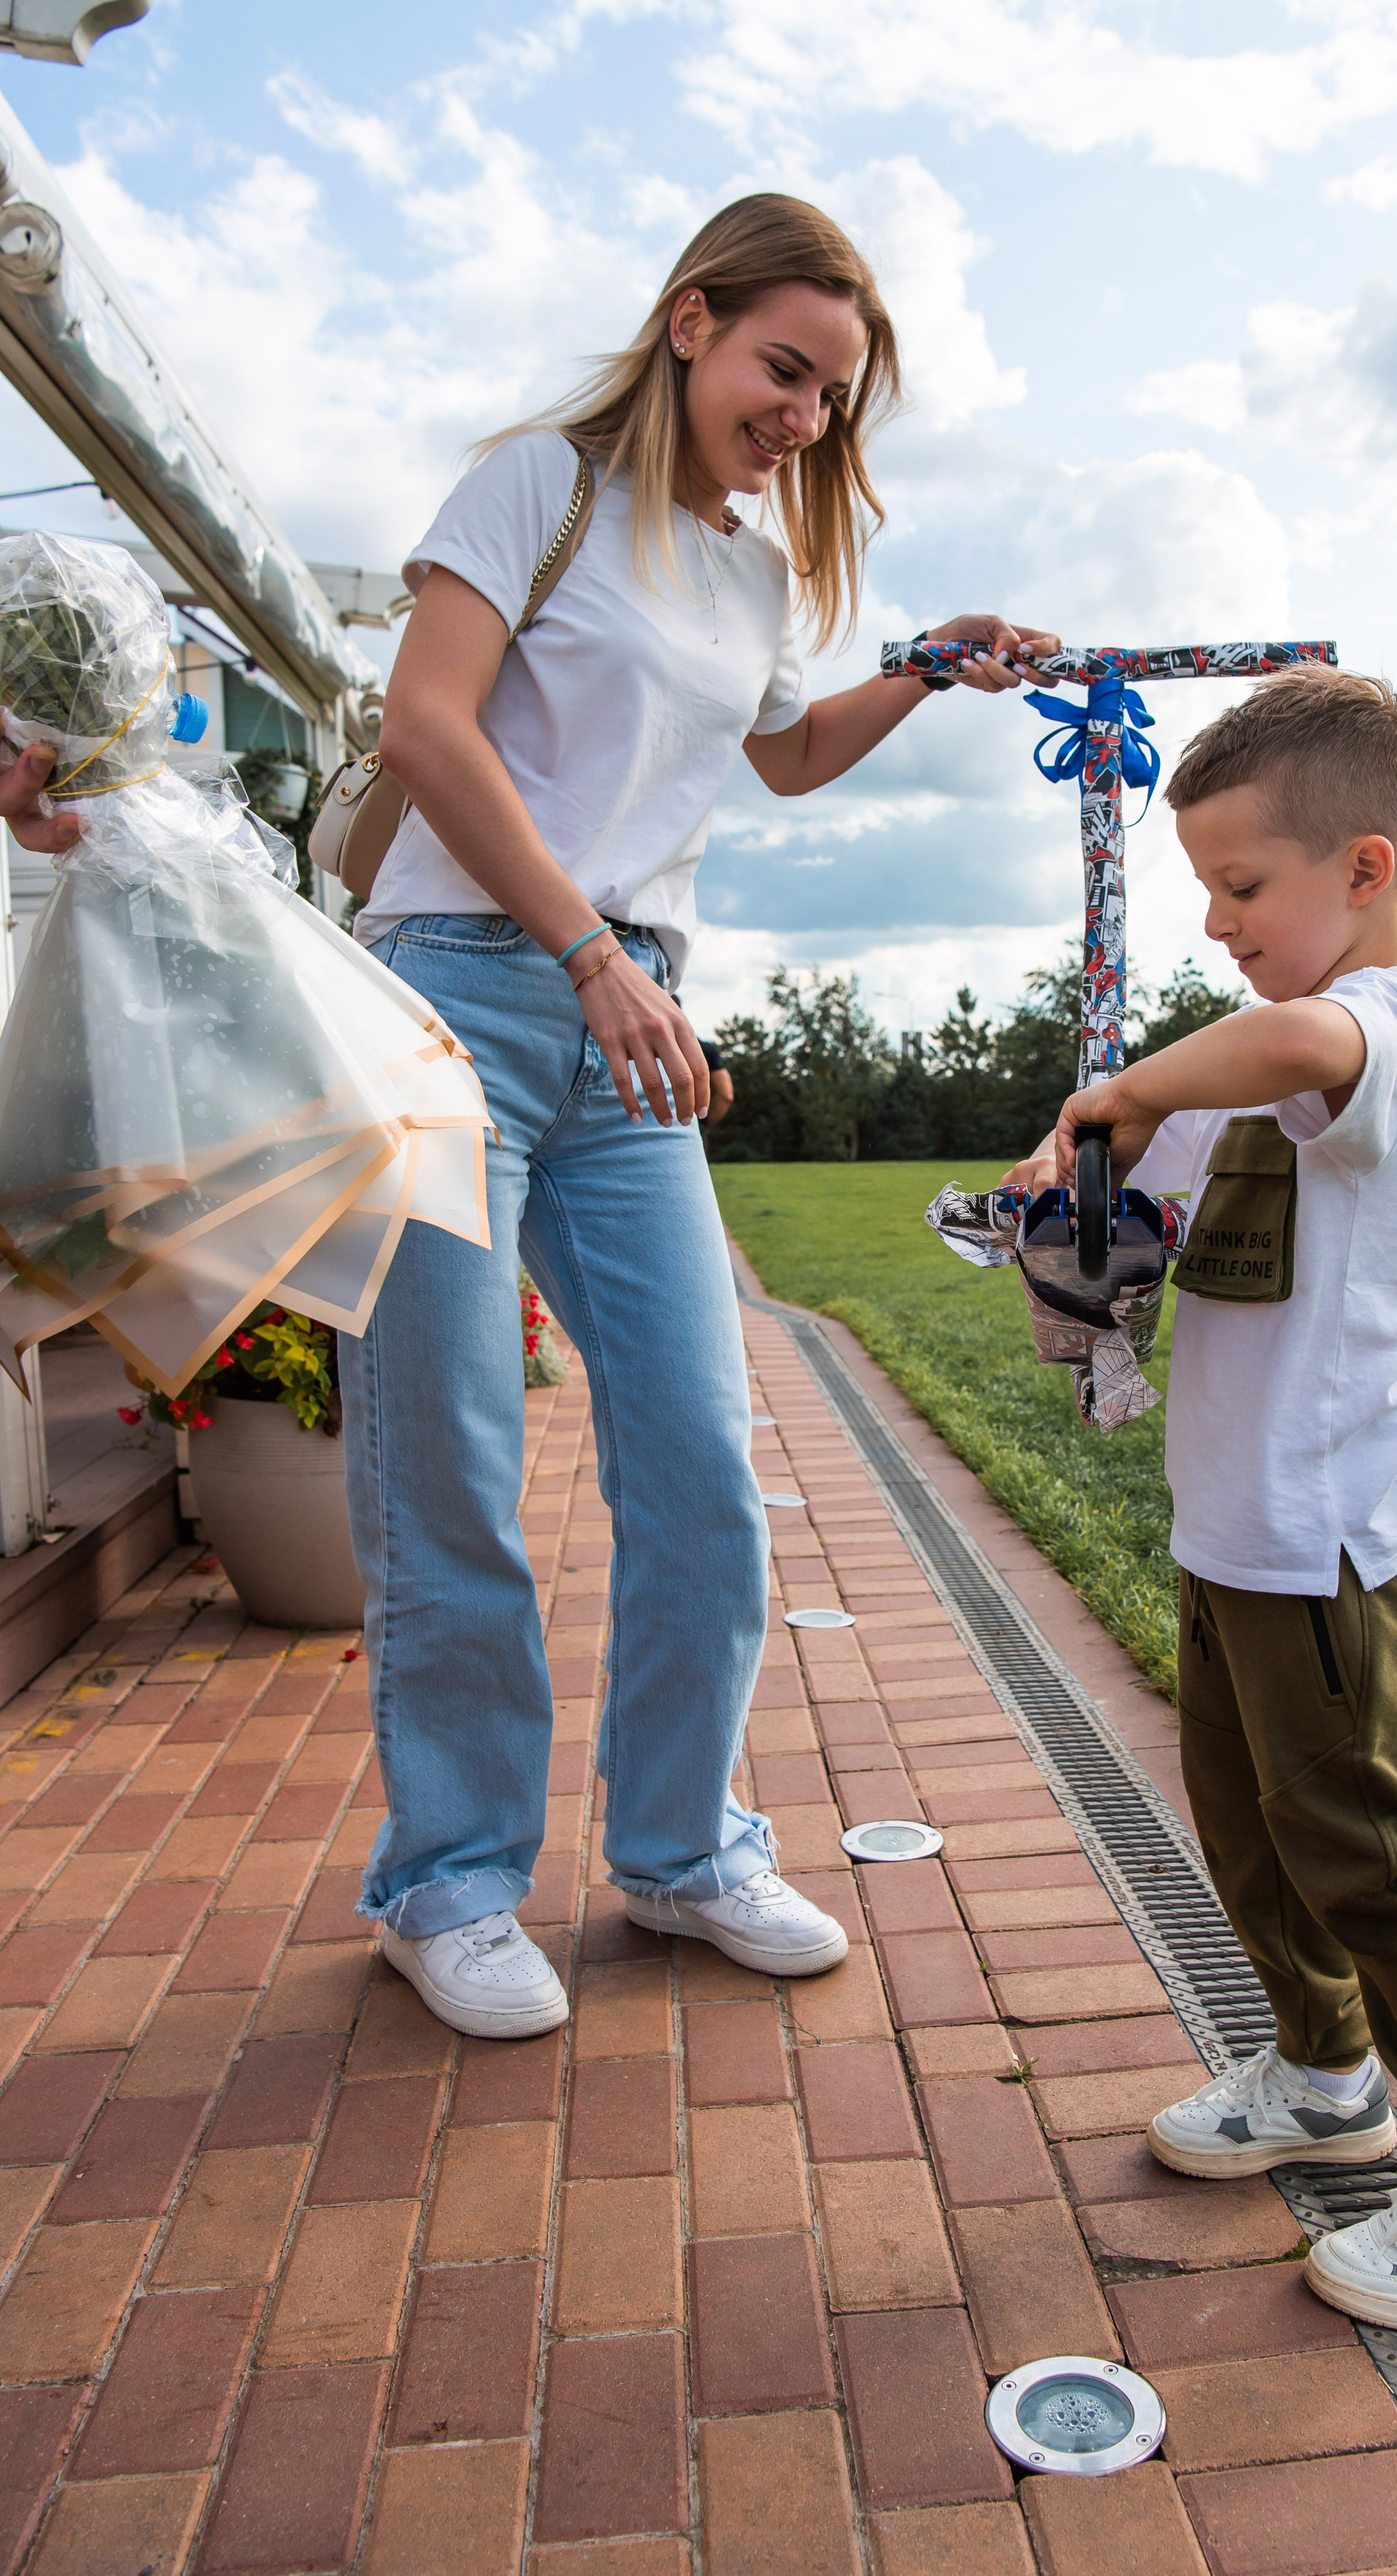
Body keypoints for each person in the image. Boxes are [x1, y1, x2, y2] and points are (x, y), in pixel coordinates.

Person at [350, 193, 1053, 2039]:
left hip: (625, 1028)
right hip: (455, 996)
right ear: (687, 322)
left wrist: (923, 661)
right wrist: (585, 948)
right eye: (784, 366)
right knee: (453, 1462)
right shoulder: (534, 482)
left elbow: (782, 751)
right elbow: (426, 726)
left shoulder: (748, 567)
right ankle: (449, 1884)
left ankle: (674, 1850)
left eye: (833, 392)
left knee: (700, 1468)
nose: (806, 415)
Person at [1007, 667, 1397, 2327]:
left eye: (1241, 888)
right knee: (1246, 1823)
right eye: (1196, 890)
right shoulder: (1245, 1073)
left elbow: (1289, 1039)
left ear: (1366, 871)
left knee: (1355, 1840)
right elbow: (1151, 1206)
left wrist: (1137, 1084)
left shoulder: (1388, 1032)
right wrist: (1065, 1186)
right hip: (1232, 1523)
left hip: (1329, 1526)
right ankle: (1324, 2073)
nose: (1214, 923)